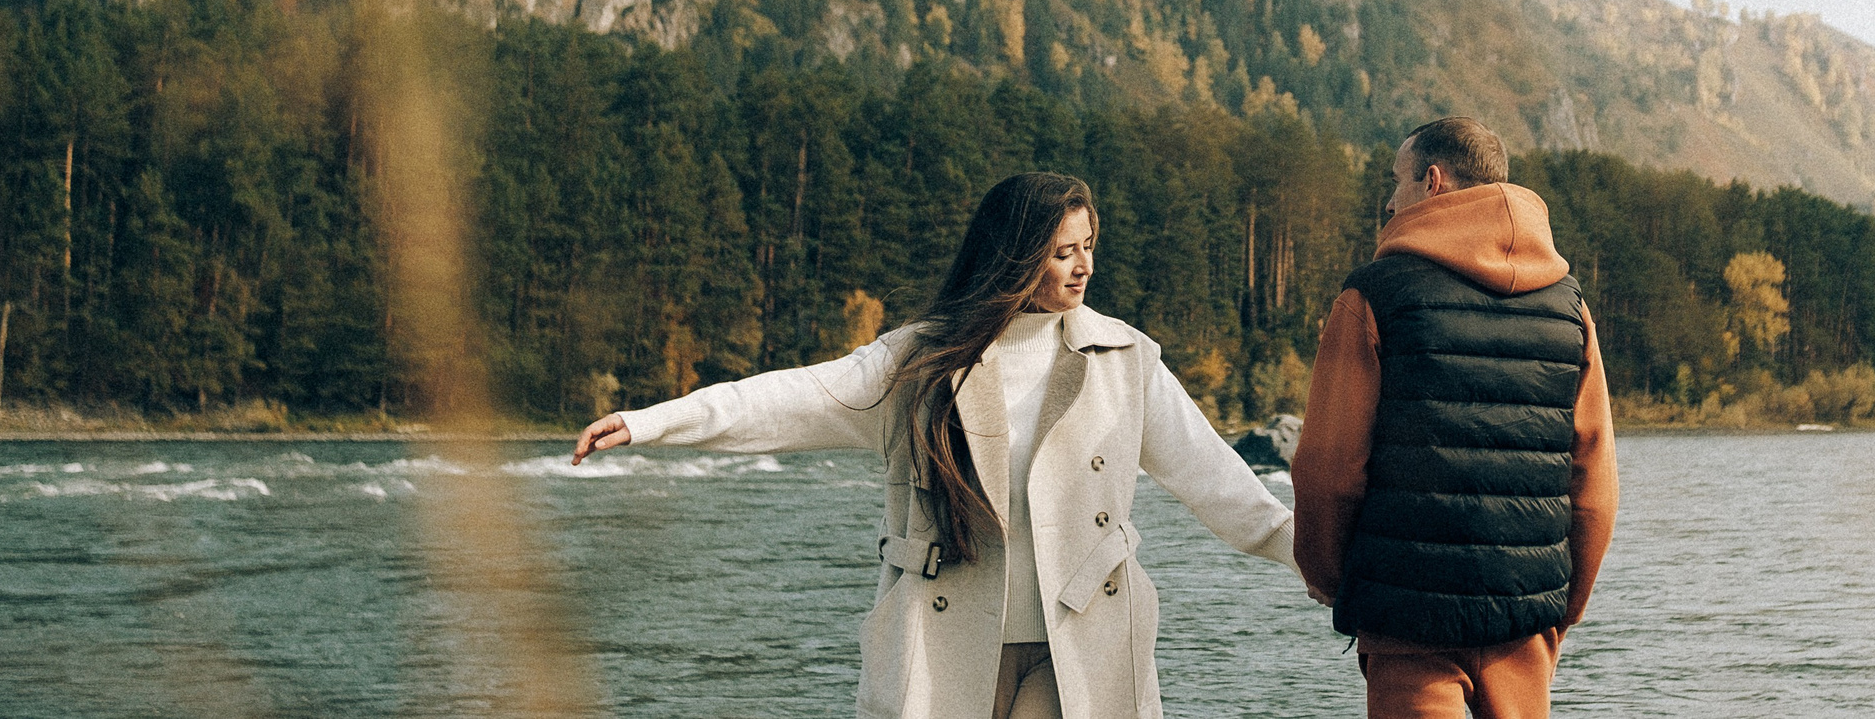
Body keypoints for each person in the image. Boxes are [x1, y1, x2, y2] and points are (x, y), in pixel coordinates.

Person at [573, 170, 1296, 719]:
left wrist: (1330, 556)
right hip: (947, 641)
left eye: (1088, 248)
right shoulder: (918, 362)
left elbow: (1221, 485)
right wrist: (653, 421)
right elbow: (792, 398)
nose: (1085, 268)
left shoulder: (1125, 358)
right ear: (1015, 256)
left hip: (1082, 642)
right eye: (1062, 252)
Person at [1290, 117, 1618, 719]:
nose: (1390, 201)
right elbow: (1593, 479)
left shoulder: (1373, 294)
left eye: (1398, 182)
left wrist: (1335, 580)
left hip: (1407, 616)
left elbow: (1328, 467)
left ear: (1432, 182)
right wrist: (1564, 606)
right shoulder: (1569, 305)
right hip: (1525, 616)